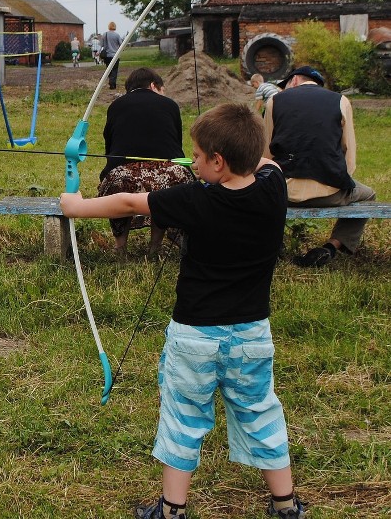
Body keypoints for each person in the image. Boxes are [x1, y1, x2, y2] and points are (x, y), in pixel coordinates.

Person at [61, 103, 304, 519]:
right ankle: (286, 504)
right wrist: (245, 147)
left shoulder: (194, 199)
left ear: (218, 161)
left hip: (195, 336)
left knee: (184, 417)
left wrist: (75, 206)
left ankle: (172, 510)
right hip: (251, 335)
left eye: (197, 154)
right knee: (260, 410)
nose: (190, 161)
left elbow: (127, 204)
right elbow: (266, 163)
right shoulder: (273, 187)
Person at [264, 65, 377, 268]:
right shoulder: (341, 101)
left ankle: (273, 244)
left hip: (283, 193)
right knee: (369, 195)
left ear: (295, 79)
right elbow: (349, 157)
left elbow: (266, 155)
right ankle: (331, 247)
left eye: (286, 85)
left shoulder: (274, 101)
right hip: (329, 194)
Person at [97, 67, 193, 256]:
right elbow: (177, 147)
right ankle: (154, 248)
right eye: (162, 90)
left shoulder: (115, 106)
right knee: (163, 197)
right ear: (153, 85)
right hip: (167, 173)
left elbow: (110, 148)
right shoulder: (170, 105)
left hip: (121, 175)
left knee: (118, 185)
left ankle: (120, 247)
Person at [101, 21, 122, 89]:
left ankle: (110, 81)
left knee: (108, 69)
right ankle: (112, 83)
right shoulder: (117, 35)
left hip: (107, 55)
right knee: (114, 70)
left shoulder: (105, 34)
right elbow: (121, 44)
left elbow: (102, 45)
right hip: (115, 55)